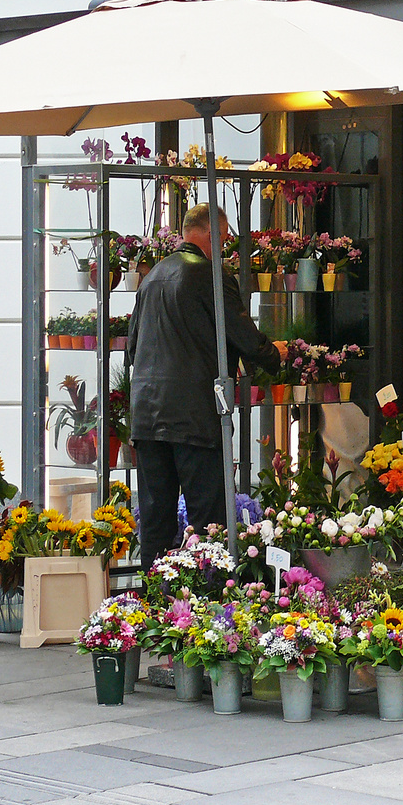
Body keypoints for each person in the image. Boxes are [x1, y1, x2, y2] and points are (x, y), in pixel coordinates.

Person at [126, 204, 282, 558]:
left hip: (147, 416)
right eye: (224, 240)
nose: (224, 249)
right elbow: (242, 333)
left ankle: (153, 601)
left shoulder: (151, 277)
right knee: (209, 520)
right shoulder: (210, 276)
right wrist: (275, 355)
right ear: (211, 234)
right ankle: (208, 602)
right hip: (194, 417)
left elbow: (133, 347)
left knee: (155, 519)